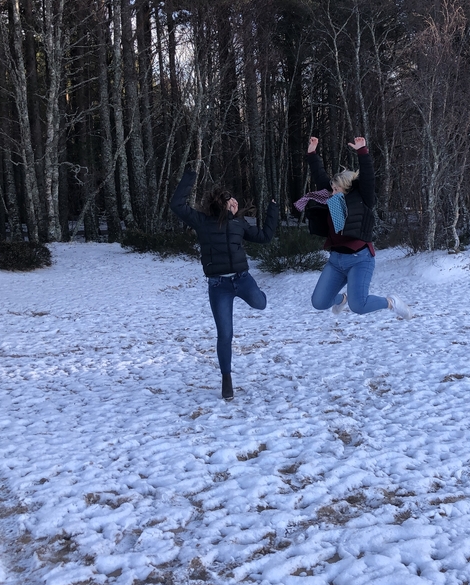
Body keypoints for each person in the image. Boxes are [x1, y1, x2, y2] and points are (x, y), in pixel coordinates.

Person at [170, 166, 278, 400]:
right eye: (232, 201)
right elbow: (177, 206)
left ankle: (259, 294)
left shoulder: (239, 224)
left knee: (261, 304)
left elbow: (265, 237)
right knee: (225, 334)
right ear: (223, 204)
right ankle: (226, 380)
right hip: (219, 286)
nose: (236, 203)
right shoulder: (202, 222)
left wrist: (273, 208)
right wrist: (190, 175)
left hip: (243, 280)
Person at [295, 136, 411, 320]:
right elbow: (320, 176)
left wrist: (362, 151)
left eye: (336, 189)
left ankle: (391, 302)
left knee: (359, 306)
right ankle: (341, 300)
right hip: (336, 260)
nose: (331, 193)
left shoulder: (362, 198)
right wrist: (311, 153)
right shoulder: (333, 200)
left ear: (346, 188)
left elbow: (368, 177)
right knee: (319, 302)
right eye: (331, 189)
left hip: (360, 259)